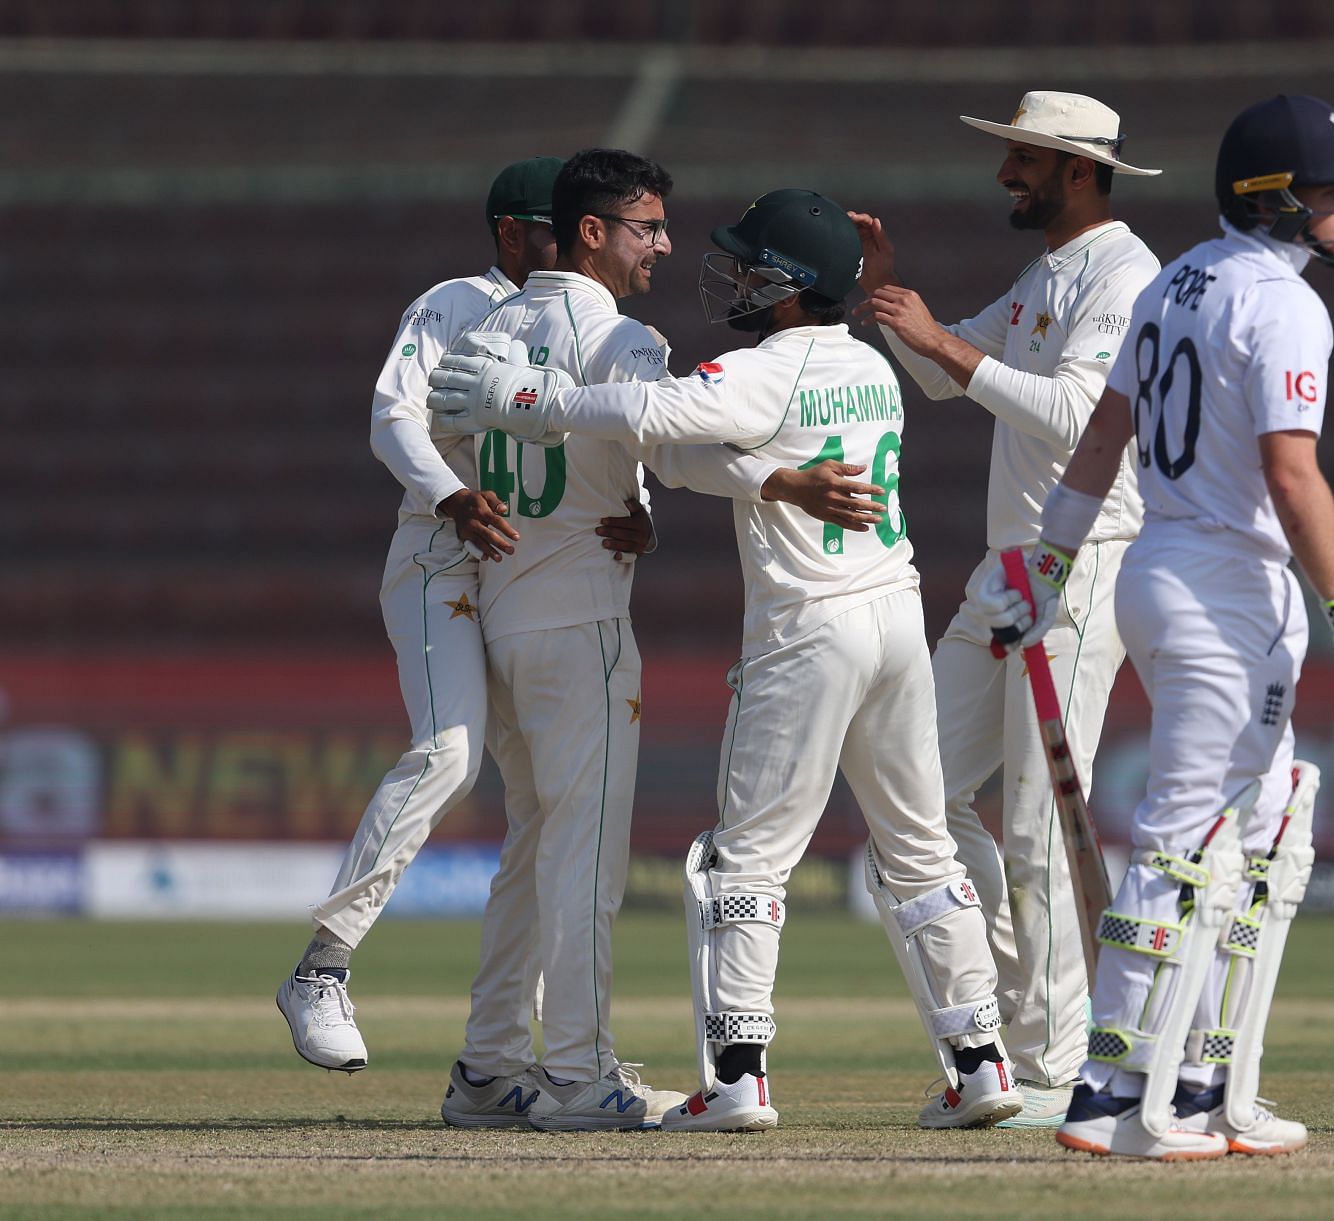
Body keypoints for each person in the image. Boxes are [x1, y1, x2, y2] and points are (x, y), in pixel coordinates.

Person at [426, 188, 1023, 1133]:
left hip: (805, 636)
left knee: (741, 863)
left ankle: (738, 1078)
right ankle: (981, 1061)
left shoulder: (768, 366)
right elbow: (701, 458)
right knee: (920, 851)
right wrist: (765, 475)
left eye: (753, 267)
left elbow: (651, 410)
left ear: (788, 286)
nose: (736, 279)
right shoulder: (868, 367)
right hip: (897, 620)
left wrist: (521, 397)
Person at [985, 94, 1334, 1161]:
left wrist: (1049, 563)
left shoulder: (1174, 281)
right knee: (1184, 837)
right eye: (1328, 190)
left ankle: (1211, 1085)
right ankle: (1107, 1093)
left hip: (1158, 566)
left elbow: (1100, 441)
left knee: (1266, 835)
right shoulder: (1281, 302)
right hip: (1229, 584)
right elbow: (1290, 470)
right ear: (1273, 198)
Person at [276, 156, 658, 1076]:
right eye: (543, 232)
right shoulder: (455, 302)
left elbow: (603, 429)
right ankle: (322, 965)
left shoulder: (573, 317)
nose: (558, 247)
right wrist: (449, 496)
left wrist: (642, 502)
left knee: (536, 815)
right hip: (438, 555)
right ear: (509, 234)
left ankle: (497, 1060)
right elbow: (390, 416)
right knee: (449, 750)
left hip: (519, 575)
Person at [845, 91, 1164, 1128]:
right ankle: (1011, 1029)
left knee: (1040, 827)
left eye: (1022, 160)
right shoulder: (1046, 273)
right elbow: (946, 382)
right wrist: (900, 312)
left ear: (1078, 169)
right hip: (1007, 572)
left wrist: (946, 345)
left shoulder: (1124, 272)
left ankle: (1060, 1060)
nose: (1004, 177)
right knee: (916, 793)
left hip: (1079, 565)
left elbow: (1081, 414)